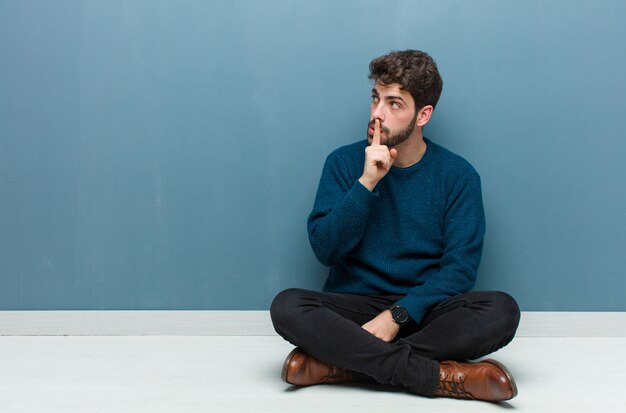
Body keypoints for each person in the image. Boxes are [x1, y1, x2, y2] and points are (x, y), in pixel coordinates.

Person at [270, 50, 521, 402]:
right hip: (354, 306)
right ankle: (436, 376)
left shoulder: (458, 176)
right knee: (287, 306)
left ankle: (340, 364)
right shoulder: (343, 163)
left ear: (423, 114)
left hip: (424, 311)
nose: (377, 113)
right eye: (375, 98)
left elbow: (459, 272)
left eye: (393, 104)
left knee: (501, 311)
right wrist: (366, 184)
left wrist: (397, 317)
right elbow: (325, 250)